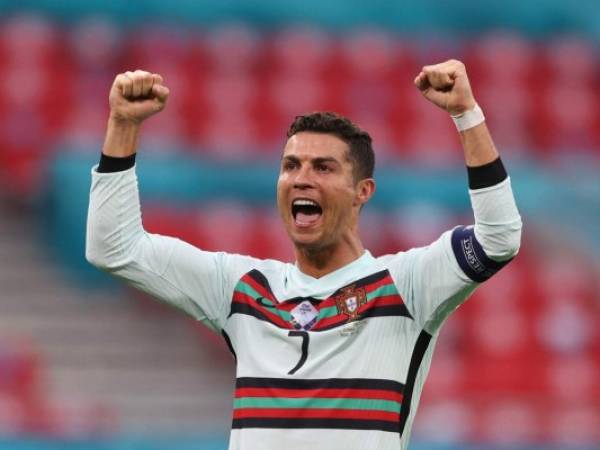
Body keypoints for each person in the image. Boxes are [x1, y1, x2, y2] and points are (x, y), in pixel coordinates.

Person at [86, 60, 522, 450]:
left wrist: (467, 115)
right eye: (291, 165)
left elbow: (499, 237)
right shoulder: (242, 289)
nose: (301, 178)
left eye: (323, 167)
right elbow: (113, 247)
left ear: (362, 193)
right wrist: (123, 126)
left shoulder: (406, 285)